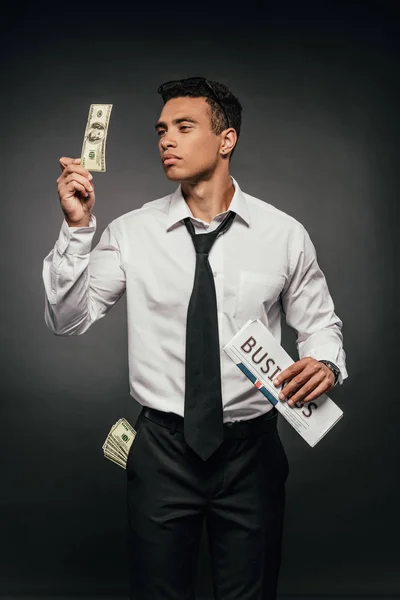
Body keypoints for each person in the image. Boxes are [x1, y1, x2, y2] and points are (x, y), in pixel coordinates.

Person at [42, 76, 348, 600]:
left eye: (185, 127)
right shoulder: (130, 232)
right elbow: (68, 318)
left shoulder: (283, 235)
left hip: (251, 452)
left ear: (225, 139)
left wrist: (325, 362)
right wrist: (78, 228)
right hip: (161, 450)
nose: (167, 140)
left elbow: (320, 324)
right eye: (162, 130)